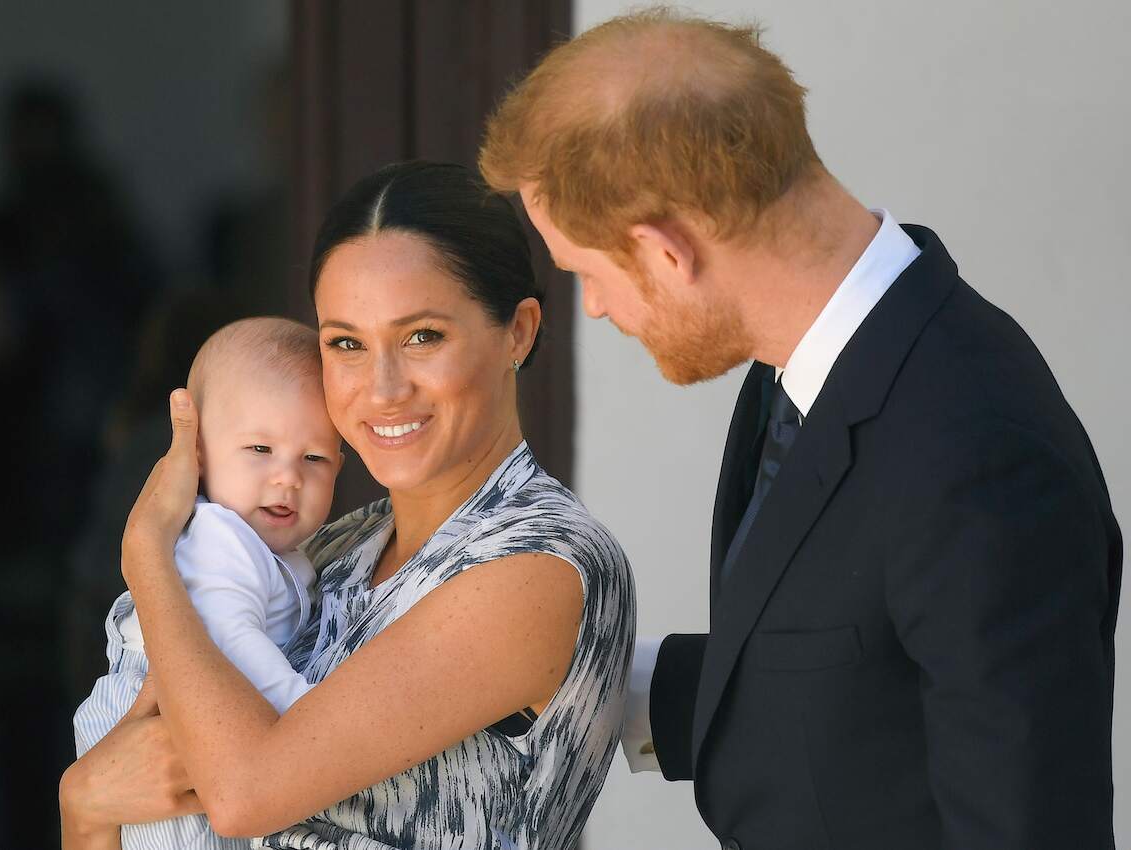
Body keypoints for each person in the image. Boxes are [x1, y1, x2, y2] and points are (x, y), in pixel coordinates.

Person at [479, 9, 1122, 850]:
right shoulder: (808, 364)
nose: (595, 307)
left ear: (667, 251)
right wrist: (558, 673)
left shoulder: (978, 453)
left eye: (587, 275)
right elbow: (847, 675)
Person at [59, 161, 636, 850]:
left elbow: (243, 795)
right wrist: (83, 806)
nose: (383, 389)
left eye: (423, 336)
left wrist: (147, 553)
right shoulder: (326, 551)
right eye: (347, 344)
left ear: (518, 331)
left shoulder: (538, 563)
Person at [72, 317, 342, 849]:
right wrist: (308, 721)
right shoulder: (222, 537)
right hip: (156, 726)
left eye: (314, 458)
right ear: (196, 455)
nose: (288, 477)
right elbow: (231, 641)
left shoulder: (283, 552)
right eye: (260, 450)